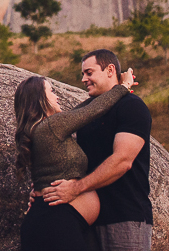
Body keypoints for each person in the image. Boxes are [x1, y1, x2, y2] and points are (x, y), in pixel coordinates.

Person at [39, 49, 153, 251]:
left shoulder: (131, 107)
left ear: (110, 70)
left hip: (125, 217)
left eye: (89, 73)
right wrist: (41, 188)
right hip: (87, 220)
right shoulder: (88, 113)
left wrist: (75, 189)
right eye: (83, 74)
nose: (84, 79)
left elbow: (122, 161)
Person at [14, 69, 135, 251]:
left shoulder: (41, 129)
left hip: (50, 223)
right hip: (55, 225)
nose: (57, 96)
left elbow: (82, 110)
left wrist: (113, 89)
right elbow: (93, 110)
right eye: (51, 92)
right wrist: (124, 86)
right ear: (41, 99)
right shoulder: (51, 126)